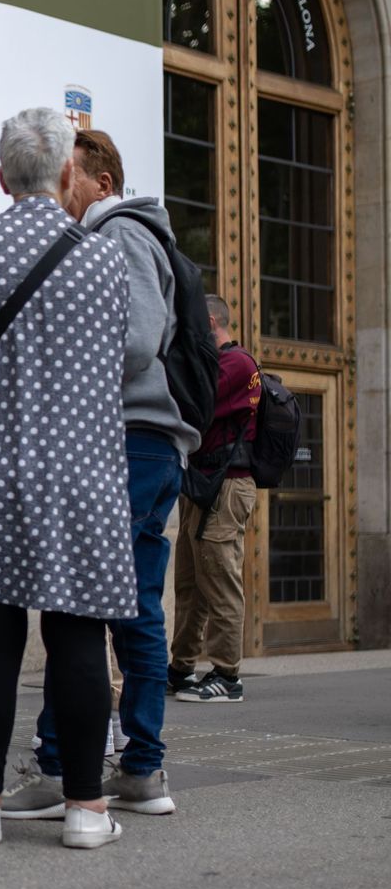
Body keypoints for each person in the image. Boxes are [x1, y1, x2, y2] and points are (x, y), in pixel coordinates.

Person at [0, 107, 135, 850]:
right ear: (69, 173)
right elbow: (120, 358)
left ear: (2, 176)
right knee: (78, 637)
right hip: (79, 471)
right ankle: (86, 812)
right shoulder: (104, 257)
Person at [2, 129, 201, 819]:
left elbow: (138, 342)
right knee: (132, 607)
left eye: (70, 178)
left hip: (131, 441)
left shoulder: (118, 235)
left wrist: (61, 375)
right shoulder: (129, 235)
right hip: (148, 444)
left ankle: (59, 767)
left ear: (102, 183)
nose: (61, 191)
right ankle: (140, 769)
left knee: (79, 606)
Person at [168, 293, 261, 703]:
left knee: (221, 581)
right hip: (202, 483)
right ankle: (181, 667)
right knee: (190, 582)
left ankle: (227, 674)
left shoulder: (237, 364)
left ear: (209, 321)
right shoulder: (214, 362)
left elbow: (193, 404)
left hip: (226, 486)